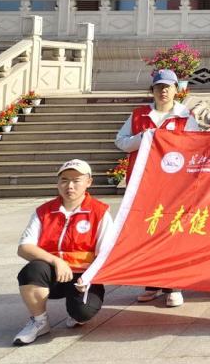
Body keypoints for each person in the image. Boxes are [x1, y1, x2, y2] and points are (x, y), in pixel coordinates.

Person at [114, 68, 199, 308]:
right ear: (152, 90)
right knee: (147, 233)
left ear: (176, 90)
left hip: (174, 186)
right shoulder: (139, 115)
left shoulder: (185, 116)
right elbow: (120, 142)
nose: (163, 91)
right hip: (144, 185)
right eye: (159, 87)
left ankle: (173, 285)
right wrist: (143, 137)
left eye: (168, 87)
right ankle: (151, 282)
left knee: (172, 234)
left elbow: (195, 146)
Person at [12, 159, 113, 345]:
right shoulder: (44, 212)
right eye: (64, 180)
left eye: (76, 180)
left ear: (89, 182)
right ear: (58, 182)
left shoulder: (99, 212)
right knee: (31, 271)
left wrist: (89, 277)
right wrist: (56, 261)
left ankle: (76, 312)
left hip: (83, 278)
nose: (70, 186)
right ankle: (39, 321)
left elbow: (106, 253)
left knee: (82, 312)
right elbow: (24, 247)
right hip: (53, 274)